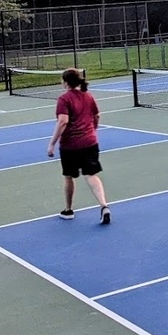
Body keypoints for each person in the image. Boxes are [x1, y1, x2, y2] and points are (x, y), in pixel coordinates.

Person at [46, 67, 110, 223]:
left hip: (70, 146)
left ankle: (68, 210)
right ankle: (104, 206)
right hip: (90, 143)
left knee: (68, 177)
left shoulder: (64, 99)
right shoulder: (88, 96)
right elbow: (97, 116)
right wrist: (92, 130)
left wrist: (52, 143)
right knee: (91, 175)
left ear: (66, 82)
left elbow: (63, 121)